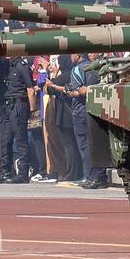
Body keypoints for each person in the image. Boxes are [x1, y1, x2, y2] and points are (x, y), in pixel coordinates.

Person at [67, 53, 108, 188]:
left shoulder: (78, 69)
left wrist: (70, 92)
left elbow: (79, 91)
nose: (70, 57)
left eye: (72, 54)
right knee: (97, 143)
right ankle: (100, 176)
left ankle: (91, 176)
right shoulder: (101, 67)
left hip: (81, 110)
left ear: (78, 54)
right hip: (99, 109)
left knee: (85, 145)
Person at [43, 55, 80, 183]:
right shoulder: (75, 73)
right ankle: (77, 172)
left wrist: (52, 78)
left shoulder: (64, 76)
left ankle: (71, 173)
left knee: (68, 145)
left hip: (64, 114)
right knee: (76, 144)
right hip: (74, 112)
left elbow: (48, 88)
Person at [1, 55, 35, 183]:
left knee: (21, 139)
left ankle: (23, 172)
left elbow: (30, 89)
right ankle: (6, 171)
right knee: (6, 139)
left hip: (20, 104)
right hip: (10, 104)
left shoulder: (22, 66)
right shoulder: (10, 66)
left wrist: (31, 110)